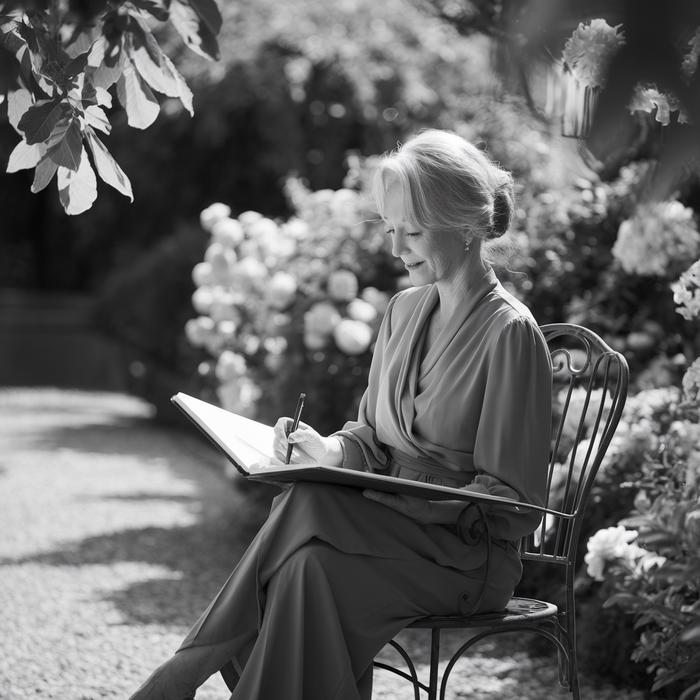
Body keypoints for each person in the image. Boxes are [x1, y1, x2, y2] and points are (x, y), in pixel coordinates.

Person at [128, 129, 553, 700]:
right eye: (391, 230)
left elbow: (512, 507)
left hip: (465, 559)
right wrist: (326, 451)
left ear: (471, 226)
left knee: (311, 501)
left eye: (414, 231)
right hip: (381, 536)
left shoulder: (510, 334)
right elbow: (371, 438)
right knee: (307, 573)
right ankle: (189, 676)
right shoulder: (403, 312)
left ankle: (182, 674)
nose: (398, 248)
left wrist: (393, 502)